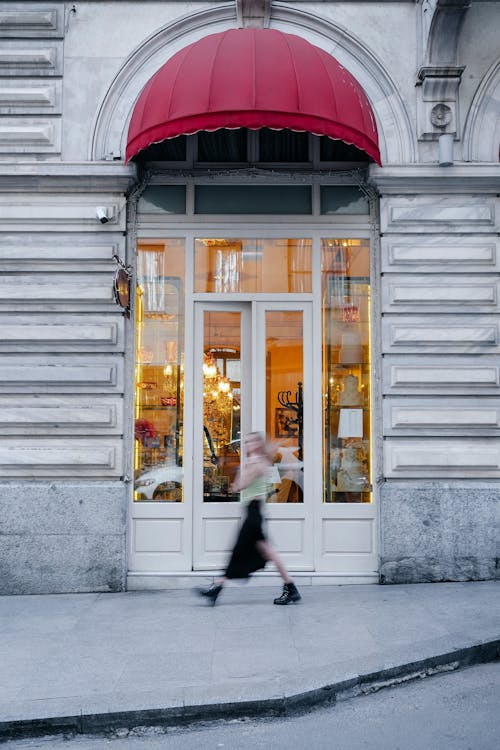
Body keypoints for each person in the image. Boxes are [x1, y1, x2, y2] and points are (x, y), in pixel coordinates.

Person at [195, 432, 301, 606]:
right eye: (246, 442)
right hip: (254, 512)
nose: (246, 445)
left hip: (254, 512)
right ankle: (290, 587)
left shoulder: (258, 464)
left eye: (250, 442)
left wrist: (239, 470)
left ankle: (216, 588)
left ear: (258, 445)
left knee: (239, 550)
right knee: (268, 553)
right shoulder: (256, 462)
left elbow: (238, 486)